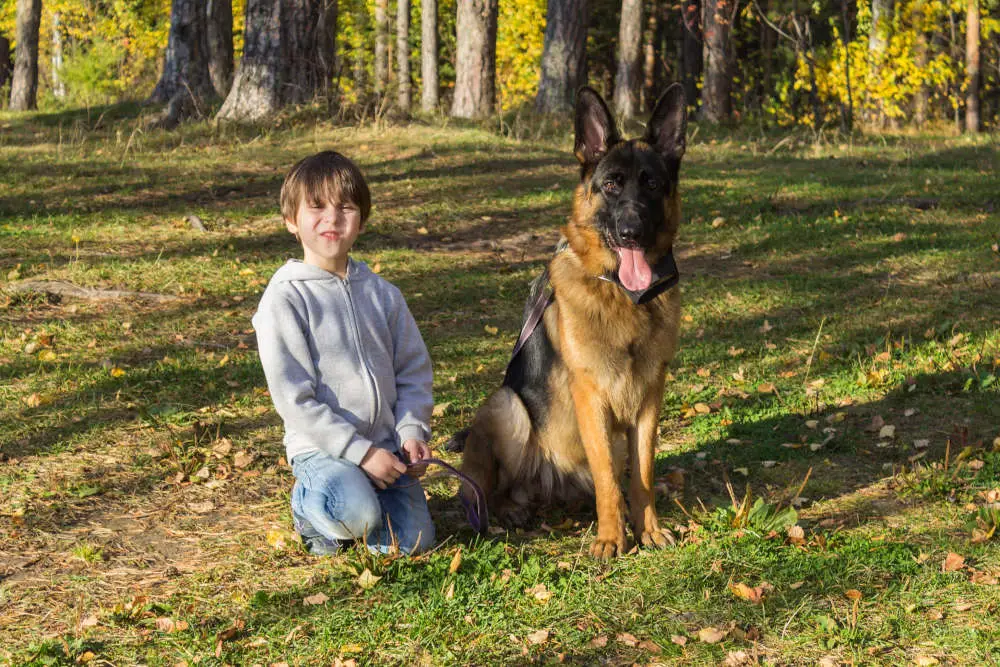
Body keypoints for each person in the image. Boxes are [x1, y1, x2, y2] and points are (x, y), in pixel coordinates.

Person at [252, 151, 435, 555]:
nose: (331, 219)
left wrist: (410, 432)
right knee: (356, 510)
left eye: (345, 207)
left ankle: (360, 512)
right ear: (290, 221)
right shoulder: (286, 299)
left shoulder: (384, 296)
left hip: (385, 448)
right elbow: (294, 399)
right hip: (323, 450)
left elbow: (413, 373)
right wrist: (360, 453)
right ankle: (309, 509)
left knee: (414, 545)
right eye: (316, 207)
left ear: (361, 221)